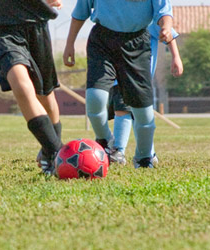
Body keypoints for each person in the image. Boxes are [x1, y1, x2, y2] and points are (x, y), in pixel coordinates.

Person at [64, 0, 174, 168]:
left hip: (137, 44)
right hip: (102, 41)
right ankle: (107, 142)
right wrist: (69, 43)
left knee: (143, 112)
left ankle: (144, 157)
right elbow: (80, 13)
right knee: (95, 97)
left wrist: (166, 26)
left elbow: (164, 12)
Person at [0, 0, 65, 174]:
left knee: (45, 96)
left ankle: (49, 150)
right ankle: (56, 152)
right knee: (21, 85)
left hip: (35, 25)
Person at [107, 23, 182, 165]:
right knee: (122, 109)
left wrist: (175, 57)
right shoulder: (116, 16)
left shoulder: (148, 20)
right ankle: (118, 151)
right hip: (120, 75)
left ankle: (146, 153)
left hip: (141, 78)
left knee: (140, 116)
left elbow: (169, 34)